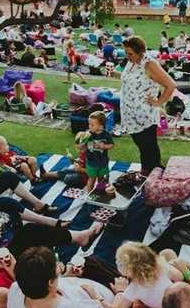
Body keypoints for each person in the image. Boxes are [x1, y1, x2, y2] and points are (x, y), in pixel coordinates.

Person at [119, 36, 175, 174]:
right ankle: (148, 174)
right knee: (143, 148)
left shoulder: (149, 64)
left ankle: (153, 176)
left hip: (144, 115)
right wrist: (116, 74)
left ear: (141, 52)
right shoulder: (131, 62)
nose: (127, 56)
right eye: (126, 52)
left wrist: (158, 102)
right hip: (129, 113)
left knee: (148, 148)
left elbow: (170, 85)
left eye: (130, 53)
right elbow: (133, 80)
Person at [115, 242, 182, 308]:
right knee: (168, 254)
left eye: (120, 263)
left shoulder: (133, 288)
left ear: (128, 270)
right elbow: (180, 277)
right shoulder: (162, 267)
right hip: (181, 302)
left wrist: (103, 300)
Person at [73, 111, 114, 193]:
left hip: (103, 162)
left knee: (101, 179)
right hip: (91, 162)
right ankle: (89, 194)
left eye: (92, 125)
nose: (89, 126)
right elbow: (79, 145)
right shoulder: (88, 135)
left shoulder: (106, 135)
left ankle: (100, 193)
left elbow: (112, 145)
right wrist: (80, 146)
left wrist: (104, 146)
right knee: (91, 179)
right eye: (89, 124)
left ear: (101, 126)